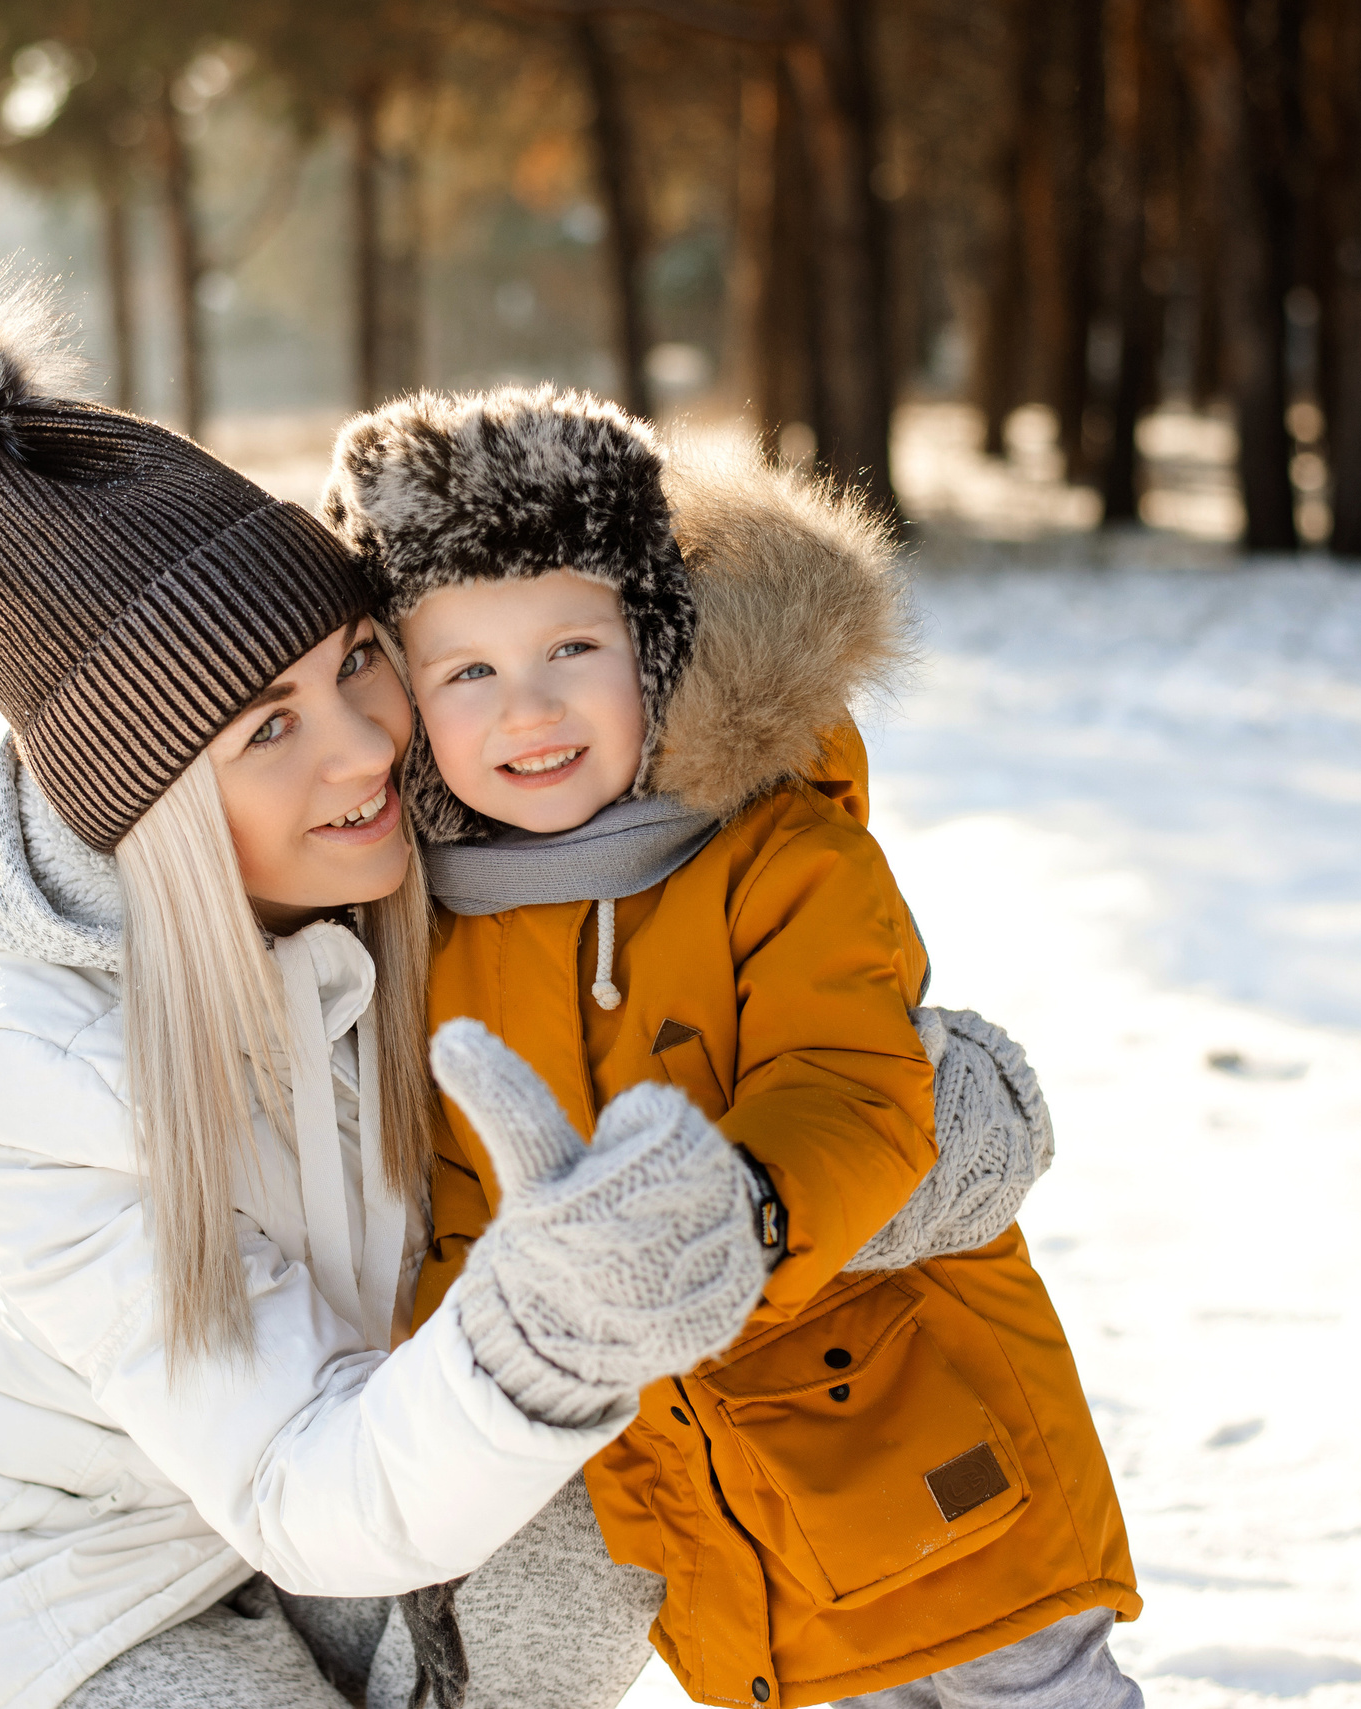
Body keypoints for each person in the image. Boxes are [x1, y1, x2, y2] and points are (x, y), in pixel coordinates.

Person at [0, 266, 778, 1709]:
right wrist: (547, 1328)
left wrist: (921, 1121)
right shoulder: (45, 1076)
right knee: (556, 1391)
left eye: (361, 660)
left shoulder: (426, 871)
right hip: (86, 1594)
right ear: (160, 806)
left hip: (359, 1525)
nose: (367, 745)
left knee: (610, 1499)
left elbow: (747, 1003)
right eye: (269, 725)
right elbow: (292, 1474)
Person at [321, 387, 1144, 1708]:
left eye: (569, 648)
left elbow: (854, 1084)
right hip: (723, 1513)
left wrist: (740, 1211)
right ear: (407, 700)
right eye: (468, 669)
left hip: (930, 1434)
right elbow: (466, 1219)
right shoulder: (432, 940)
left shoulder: (775, 850)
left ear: (649, 645)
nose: (526, 708)